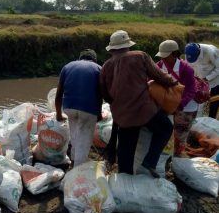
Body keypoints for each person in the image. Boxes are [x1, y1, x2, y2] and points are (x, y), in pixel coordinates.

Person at [100, 30, 177, 178]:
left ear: (112, 48)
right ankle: (150, 161)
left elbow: (105, 94)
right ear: (127, 45)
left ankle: (124, 177)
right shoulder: (140, 56)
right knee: (166, 128)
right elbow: (159, 75)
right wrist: (174, 82)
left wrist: (117, 104)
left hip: (122, 116)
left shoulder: (106, 66)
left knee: (126, 148)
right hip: (144, 110)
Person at [55, 48, 102, 167]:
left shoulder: (67, 66)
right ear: (94, 59)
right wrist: (99, 113)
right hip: (88, 108)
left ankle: (73, 158)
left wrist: (58, 113)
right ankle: (78, 169)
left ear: (80, 58)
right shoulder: (98, 68)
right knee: (84, 138)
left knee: (75, 132)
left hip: (69, 107)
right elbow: (100, 93)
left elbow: (59, 92)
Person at [156, 40, 197, 157]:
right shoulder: (159, 66)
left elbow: (191, 90)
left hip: (186, 107)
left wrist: (179, 105)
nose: (163, 59)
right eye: (161, 56)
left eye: (166, 56)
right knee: (166, 134)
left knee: (180, 136)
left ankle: (177, 161)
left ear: (174, 54)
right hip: (167, 106)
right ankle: (166, 158)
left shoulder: (187, 69)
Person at [185, 43, 219, 119]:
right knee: (198, 101)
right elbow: (188, 67)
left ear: (199, 52)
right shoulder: (189, 53)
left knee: (213, 103)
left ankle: (211, 120)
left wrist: (207, 78)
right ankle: (196, 121)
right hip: (199, 79)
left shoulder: (211, 52)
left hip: (215, 80)